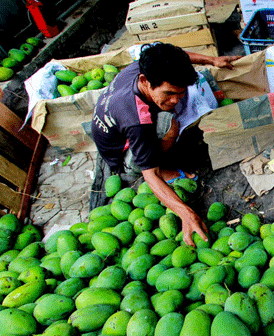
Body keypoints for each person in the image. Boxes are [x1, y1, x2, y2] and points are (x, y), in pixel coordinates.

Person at [91, 43, 240, 246]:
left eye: (179, 93)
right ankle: (165, 168)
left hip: (120, 130)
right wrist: (185, 213)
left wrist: (212, 60)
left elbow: (179, 59)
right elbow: (149, 175)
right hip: (123, 156)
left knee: (172, 113)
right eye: (169, 93)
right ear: (145, 81)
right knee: (171, 125)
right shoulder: (136, 119)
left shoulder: (146, 68)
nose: (175, 99)